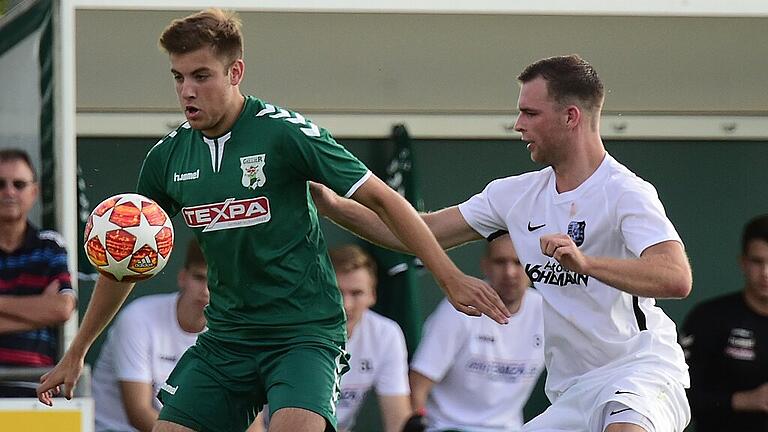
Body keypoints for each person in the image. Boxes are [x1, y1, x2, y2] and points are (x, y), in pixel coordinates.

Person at [37, 8, 509, 432]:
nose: (186, 90)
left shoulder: (285, 133)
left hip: (304, 334)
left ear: (235, 71)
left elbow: (385, 200)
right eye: (178, 77)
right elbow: (125, 263)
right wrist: (76, 352)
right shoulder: (166, 158)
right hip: (226, 339)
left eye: (201, 75)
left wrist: (448, 278)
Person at [311, 54, 693, 432]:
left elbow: (675, 277)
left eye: (530, 113)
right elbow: (418, 233)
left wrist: (588, 264)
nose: (517, 125)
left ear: (571, 117)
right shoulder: (514, 195)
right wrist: (333, 206)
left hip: (641, 375)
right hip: (573, 391)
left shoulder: (626, 192)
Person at [406, 234, 544, 432]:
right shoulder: (460, 310)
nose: (510, 272)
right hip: (447, 428)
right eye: (500, 262)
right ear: (485, 265)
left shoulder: (546, 312)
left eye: (518, 262)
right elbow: (417, 387)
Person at [92, 240, 209, 432]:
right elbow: (139, 413)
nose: (205, 291)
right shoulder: (138, 317)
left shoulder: (231, 332)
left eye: (215, 282)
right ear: (182, 277)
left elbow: (249, 420)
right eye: (199, 278)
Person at [680, 214, 768, 432]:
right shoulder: (709, 318)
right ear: (743, 263)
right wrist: (743, 400)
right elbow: (676, 394)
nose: (766, 273)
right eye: (758, 261)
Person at [0, 148, 76, 397]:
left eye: (19, 184)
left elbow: (62, 308)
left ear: (34, 192)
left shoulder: (50, 246)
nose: (9, 192)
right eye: (0, 184)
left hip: (35, 393)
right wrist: (39, 309)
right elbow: (52, 310)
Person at [329, 244, 411, 432]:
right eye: (336, 292)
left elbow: (397, 420)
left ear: (372, 295)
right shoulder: (293, 331)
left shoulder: (386, 334)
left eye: (356, 293)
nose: (346, 305)